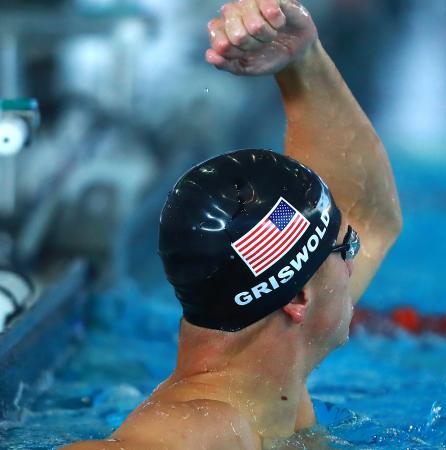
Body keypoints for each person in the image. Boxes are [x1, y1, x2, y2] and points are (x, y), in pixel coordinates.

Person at [62, 0, 402, 448]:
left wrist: (304, 61)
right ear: (298, 297)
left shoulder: (268, 371)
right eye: (347, 251)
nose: (356, 258)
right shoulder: (206, 426)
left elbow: (371, 214)